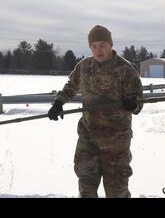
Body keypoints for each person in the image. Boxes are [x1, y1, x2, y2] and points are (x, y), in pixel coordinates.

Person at [48, 25, 143, 198]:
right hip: (88, 137)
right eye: (94, 46)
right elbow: (71, 86)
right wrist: (59, 102)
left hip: (116, 141)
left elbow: (137, 102)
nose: (98, 50)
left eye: (102, 45)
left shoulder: (126, 69)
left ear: (110, 45)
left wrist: (132, 103)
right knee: (86, 188)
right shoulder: (84, 66)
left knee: (117, 191)